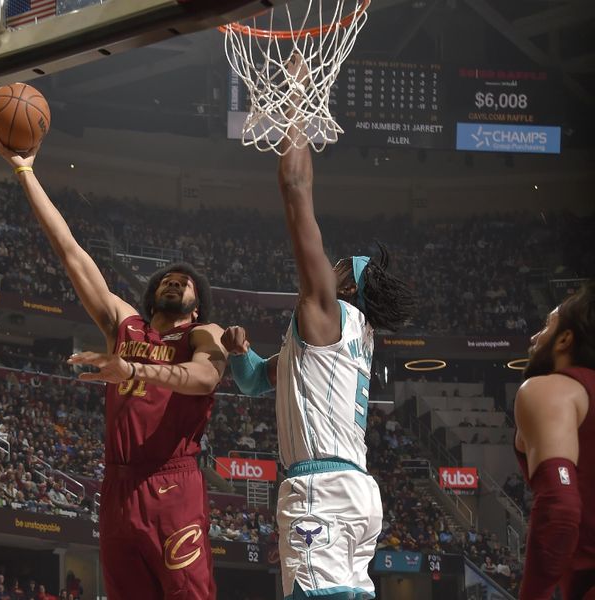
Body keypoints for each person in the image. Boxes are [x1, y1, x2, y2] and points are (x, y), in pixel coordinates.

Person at [0, 127, 228, 600]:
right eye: (169, 279)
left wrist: (132, 370)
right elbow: (70, 252)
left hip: (172, 484)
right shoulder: (126, 324)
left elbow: (204, 378)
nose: (176, 282)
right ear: (152, 293)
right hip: (117, 487)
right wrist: (24, 170)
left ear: (197, 307)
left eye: (185, 282)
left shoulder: (202, 333)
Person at [221, 56, 415, 600]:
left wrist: (300, 103)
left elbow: (294, 186)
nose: (326, 268)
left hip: (321, 492)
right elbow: (261, 381)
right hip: (350, 492)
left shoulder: (328, 313)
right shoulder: (348, 339)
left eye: (336, 268)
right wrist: (241, 355)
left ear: (345, 287)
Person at [514, 281, 595, 600]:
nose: (534, 337)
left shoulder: (551, 389)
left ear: (565, 339)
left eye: (546, 325)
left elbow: (560, 509)